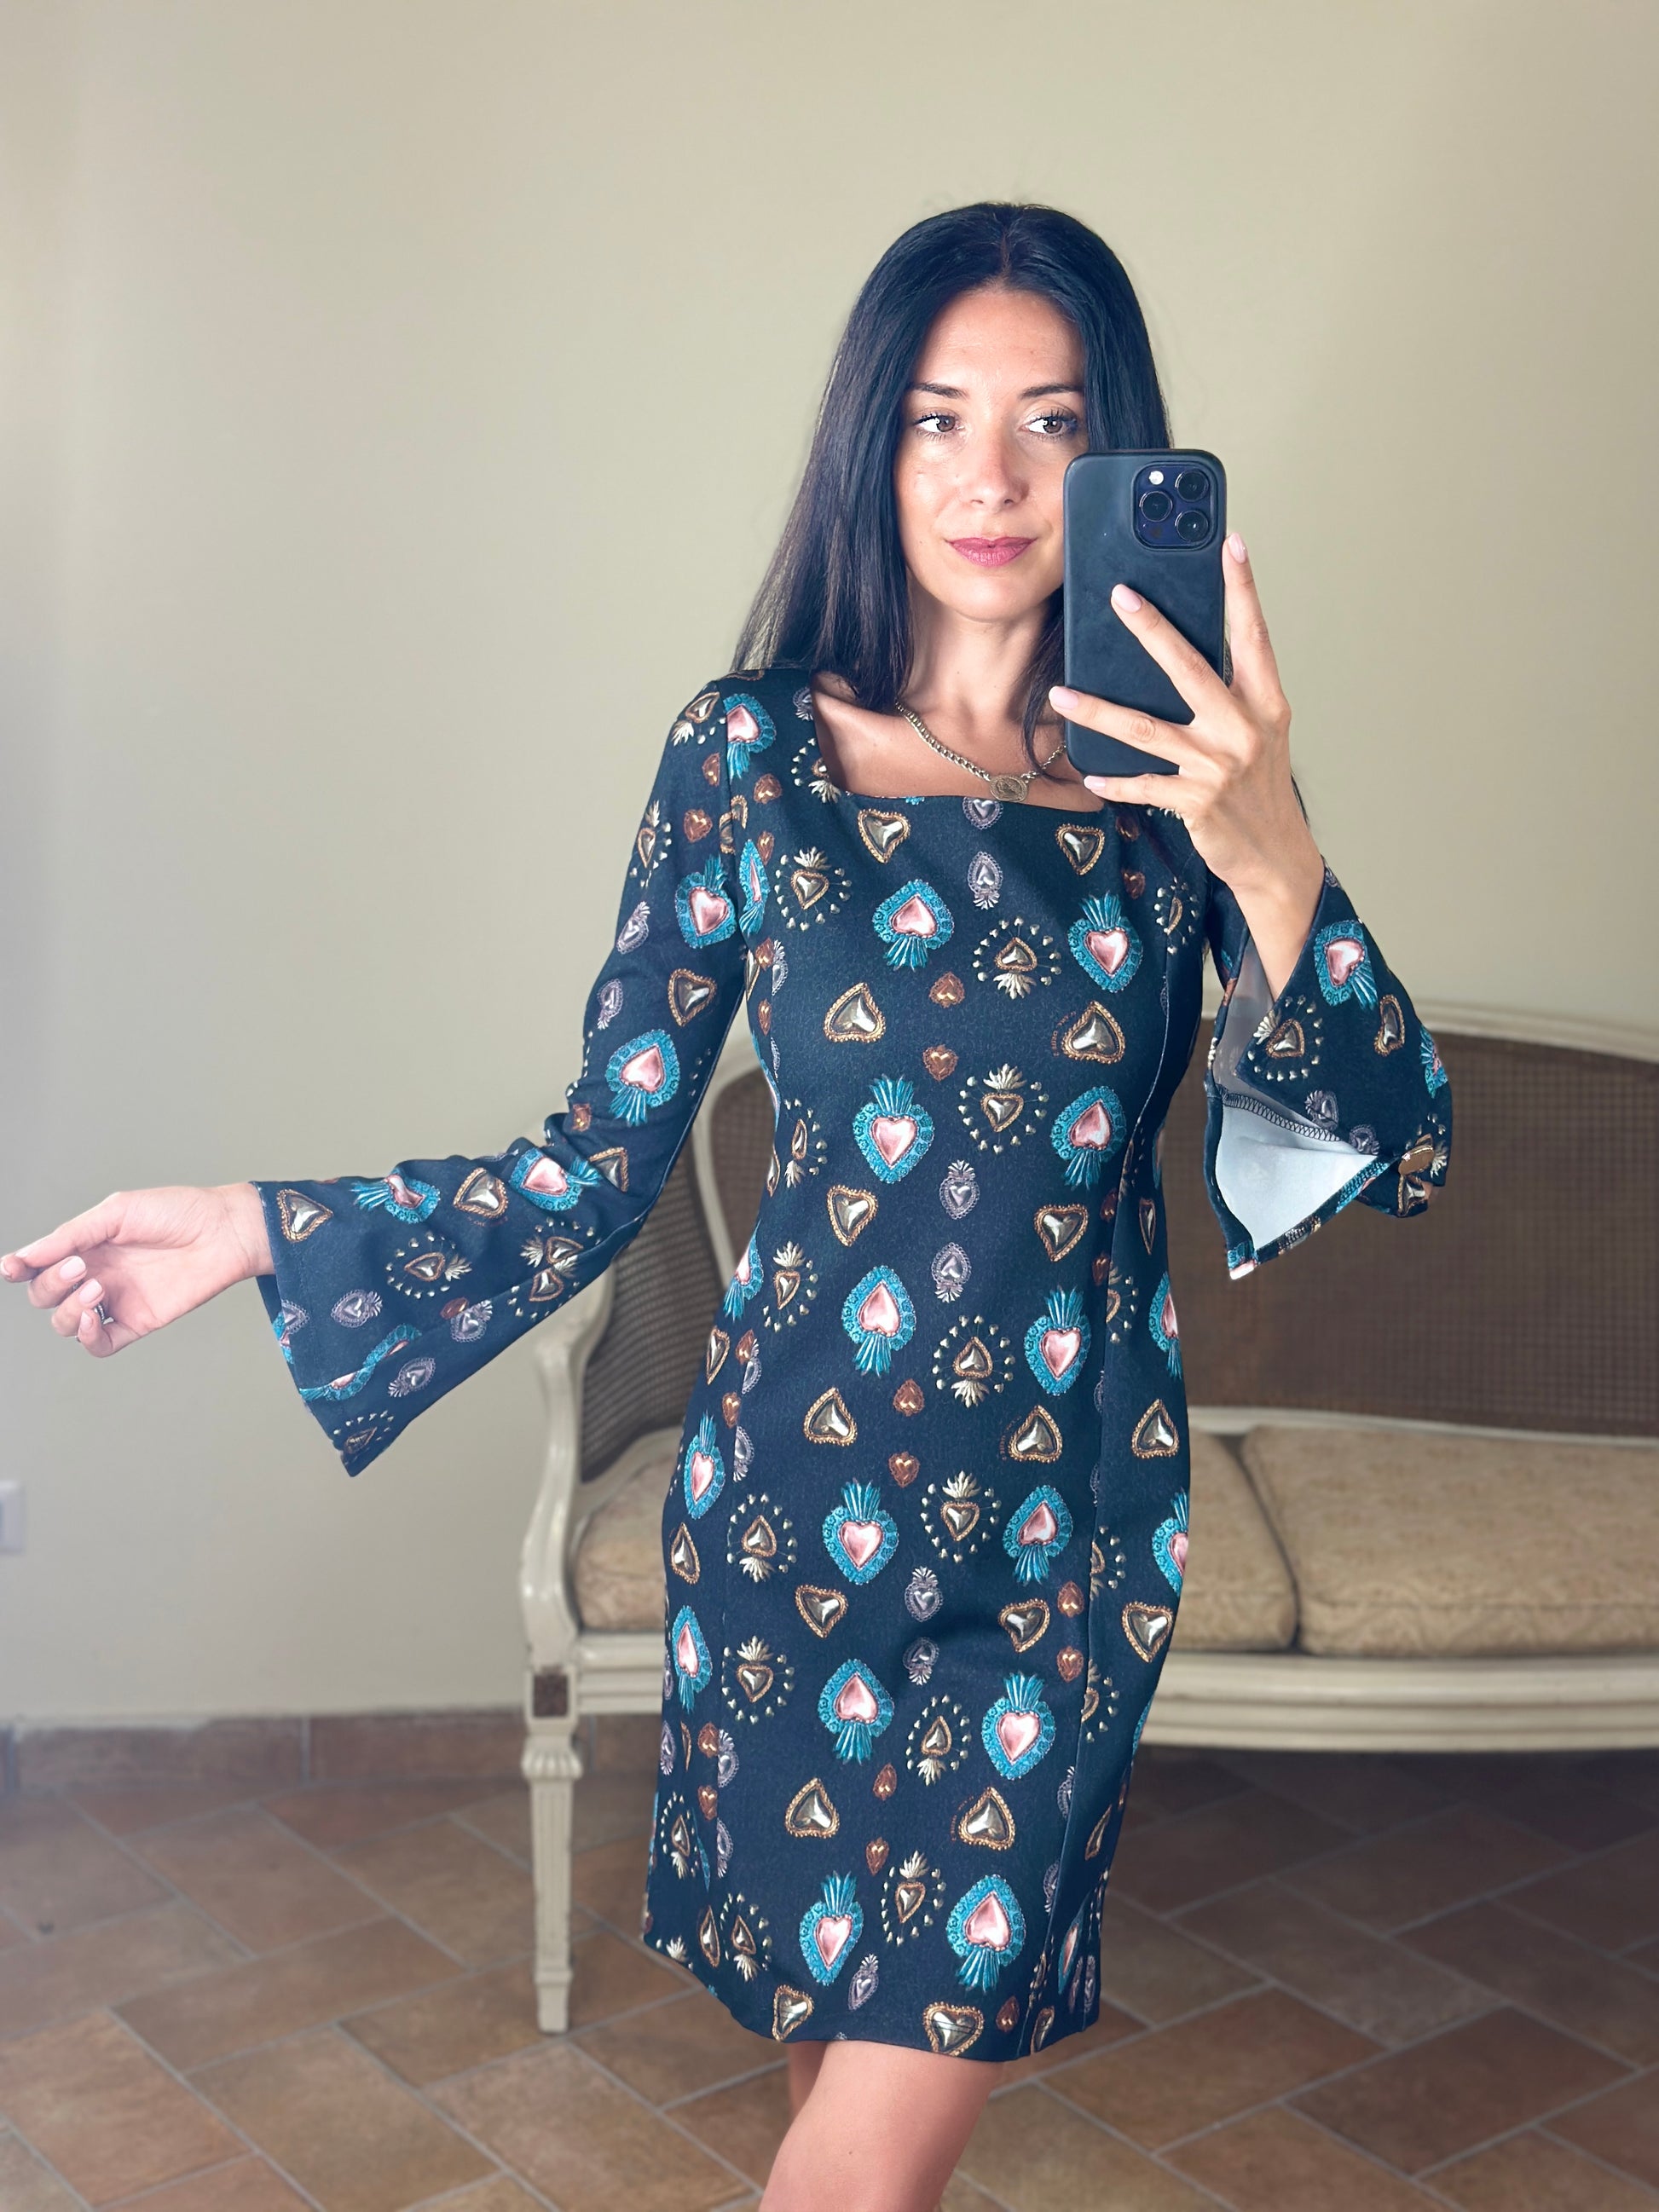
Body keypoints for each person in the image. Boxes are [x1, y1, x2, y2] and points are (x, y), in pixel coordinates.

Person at [3, 202, 1452, 2210]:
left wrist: (1270, 841)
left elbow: (1390, 1136)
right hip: (788, 1532)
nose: (991, 476)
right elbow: (597, 1153)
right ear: (872, 442)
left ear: (1117, 453)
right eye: (937, 417)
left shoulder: (1179, 796)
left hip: (1058, 1550)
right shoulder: (748, 758)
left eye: (1049, 422)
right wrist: (265, 1223)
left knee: (847, 2176)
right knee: (836, 2119)